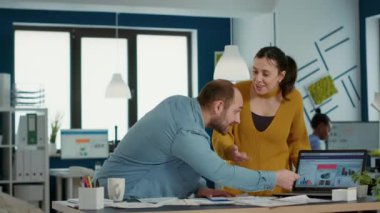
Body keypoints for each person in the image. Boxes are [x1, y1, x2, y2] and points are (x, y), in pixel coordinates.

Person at [94, 79, 300, 199]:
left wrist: (199, 187)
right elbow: (220, 172)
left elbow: (178, 161)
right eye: (236, 111)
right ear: (218, 106)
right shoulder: (185, 128)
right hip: (120, 202)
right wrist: (274, 179)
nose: (238, 120)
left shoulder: (181, 106)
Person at [212, 46, 310, 196]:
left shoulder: (293, 98)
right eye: (255, 71)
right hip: (237, 190)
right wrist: (228, 150)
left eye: (265, 74)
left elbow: (298, 143)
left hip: (278, 193)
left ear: (281, 76)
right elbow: (221, 131)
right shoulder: (237, 91)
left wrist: (309, 178)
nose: (258, 79)